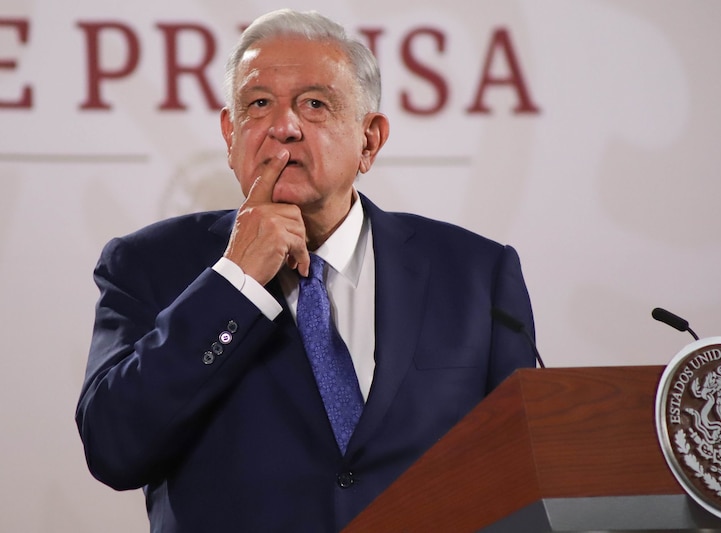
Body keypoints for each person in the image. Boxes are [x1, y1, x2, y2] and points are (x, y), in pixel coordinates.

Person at [76, 8, 539, 532]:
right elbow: (114, 449)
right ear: (231, 134)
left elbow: (528, 472)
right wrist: (236, 281)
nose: (283, 127)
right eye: (258, 104)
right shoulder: (146, 265)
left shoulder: (475, 272)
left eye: (315, 104)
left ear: (370, 140)